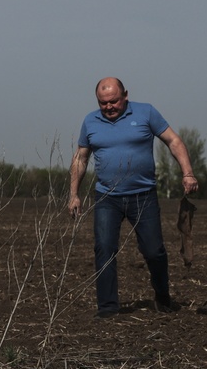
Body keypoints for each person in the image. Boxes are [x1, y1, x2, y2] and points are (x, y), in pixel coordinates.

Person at [68, 77, 198, 318]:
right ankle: (107, 308)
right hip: (107, 197)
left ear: (125, 95)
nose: (108, 107)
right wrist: (74, 194)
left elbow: (174, 141)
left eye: (113, 101)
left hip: (143, 196)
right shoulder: (90, 121)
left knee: (153, 251)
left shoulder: (146, 112)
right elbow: (81, 158)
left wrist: (187, 173)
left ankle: (162, 296)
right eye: (103, 103)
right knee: (104, 249)